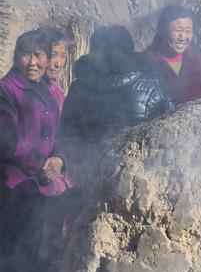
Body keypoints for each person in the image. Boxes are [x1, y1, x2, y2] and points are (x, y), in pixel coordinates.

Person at [0, 30, 71, 272]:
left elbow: (56, 133)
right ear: (16, 56)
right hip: (16, 189)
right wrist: (40, 163)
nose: (33, 62)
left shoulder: (49, 90)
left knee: (41, 260)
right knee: (18, 262)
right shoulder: (6, 90)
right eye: (25, 54)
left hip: (45, 188)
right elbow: (7, 140)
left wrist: (58, 158)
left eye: (39, 55)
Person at [60, 26, 176, 180]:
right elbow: (173, 126)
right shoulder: (152, 81)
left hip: (91, 178)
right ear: (130, 49)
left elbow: (67, 133)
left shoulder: (80, 86)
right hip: (143, 176)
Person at [144, 5, 201, 104]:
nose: (183, 37)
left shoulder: (200, 60)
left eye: (188, 31)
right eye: (178, 31)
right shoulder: (146, 61)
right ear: (162, 31)